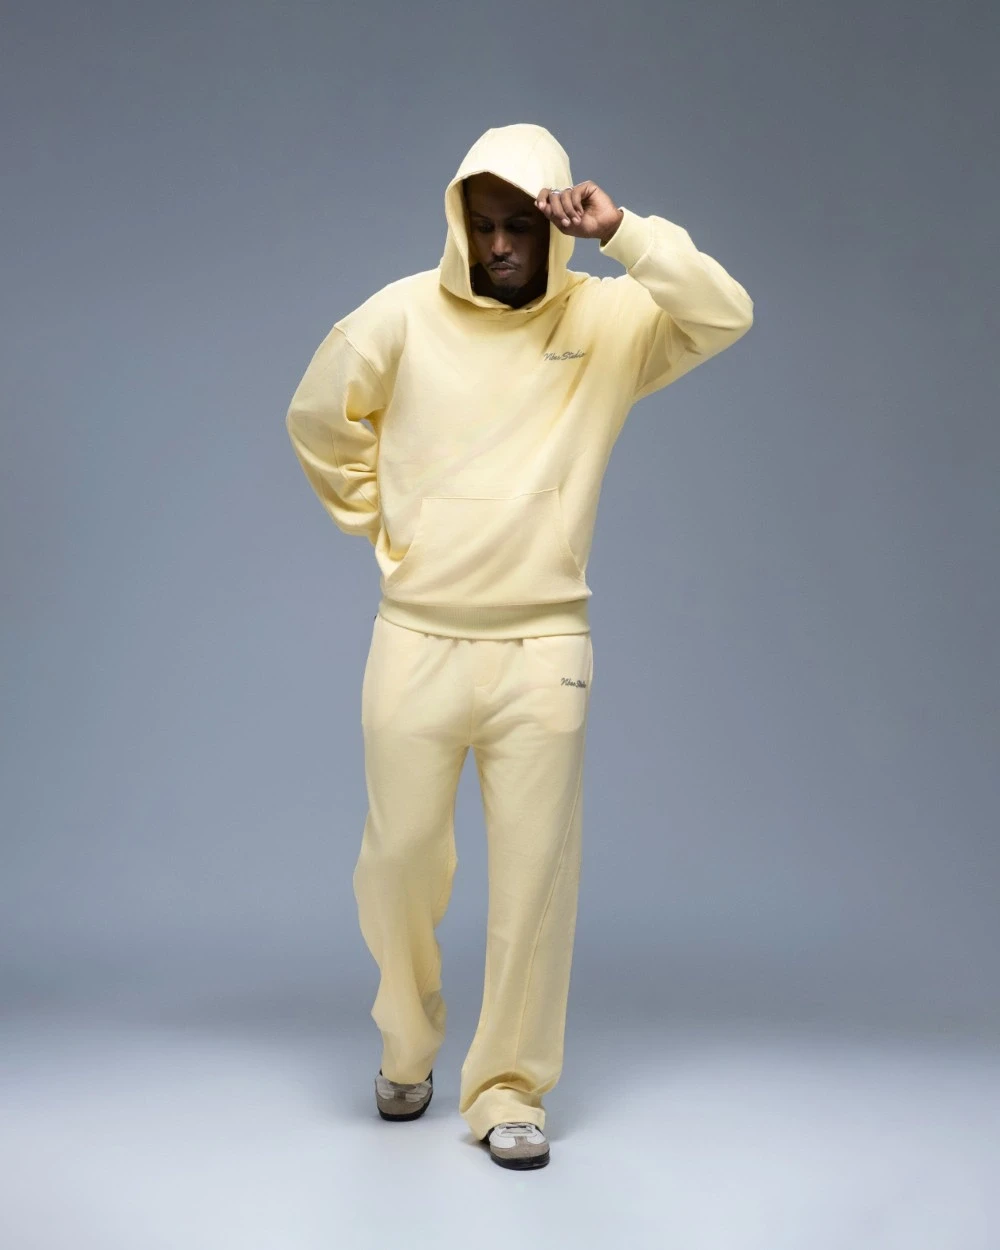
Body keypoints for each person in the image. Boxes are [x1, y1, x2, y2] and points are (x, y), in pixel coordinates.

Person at [284, 122, 753, 1170]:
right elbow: (318, 418)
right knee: (397, 863)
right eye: (483, 225)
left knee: (535, 880)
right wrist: (390, 525)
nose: (499, 246)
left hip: (545, 646)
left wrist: (624, 232)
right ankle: (406, 1042)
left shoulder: (610, 319)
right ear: (459, 224)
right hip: (417, 636)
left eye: (519, 226)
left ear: (555, 227)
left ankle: (507, 1086)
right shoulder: (399, 315)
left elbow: (725, 311)